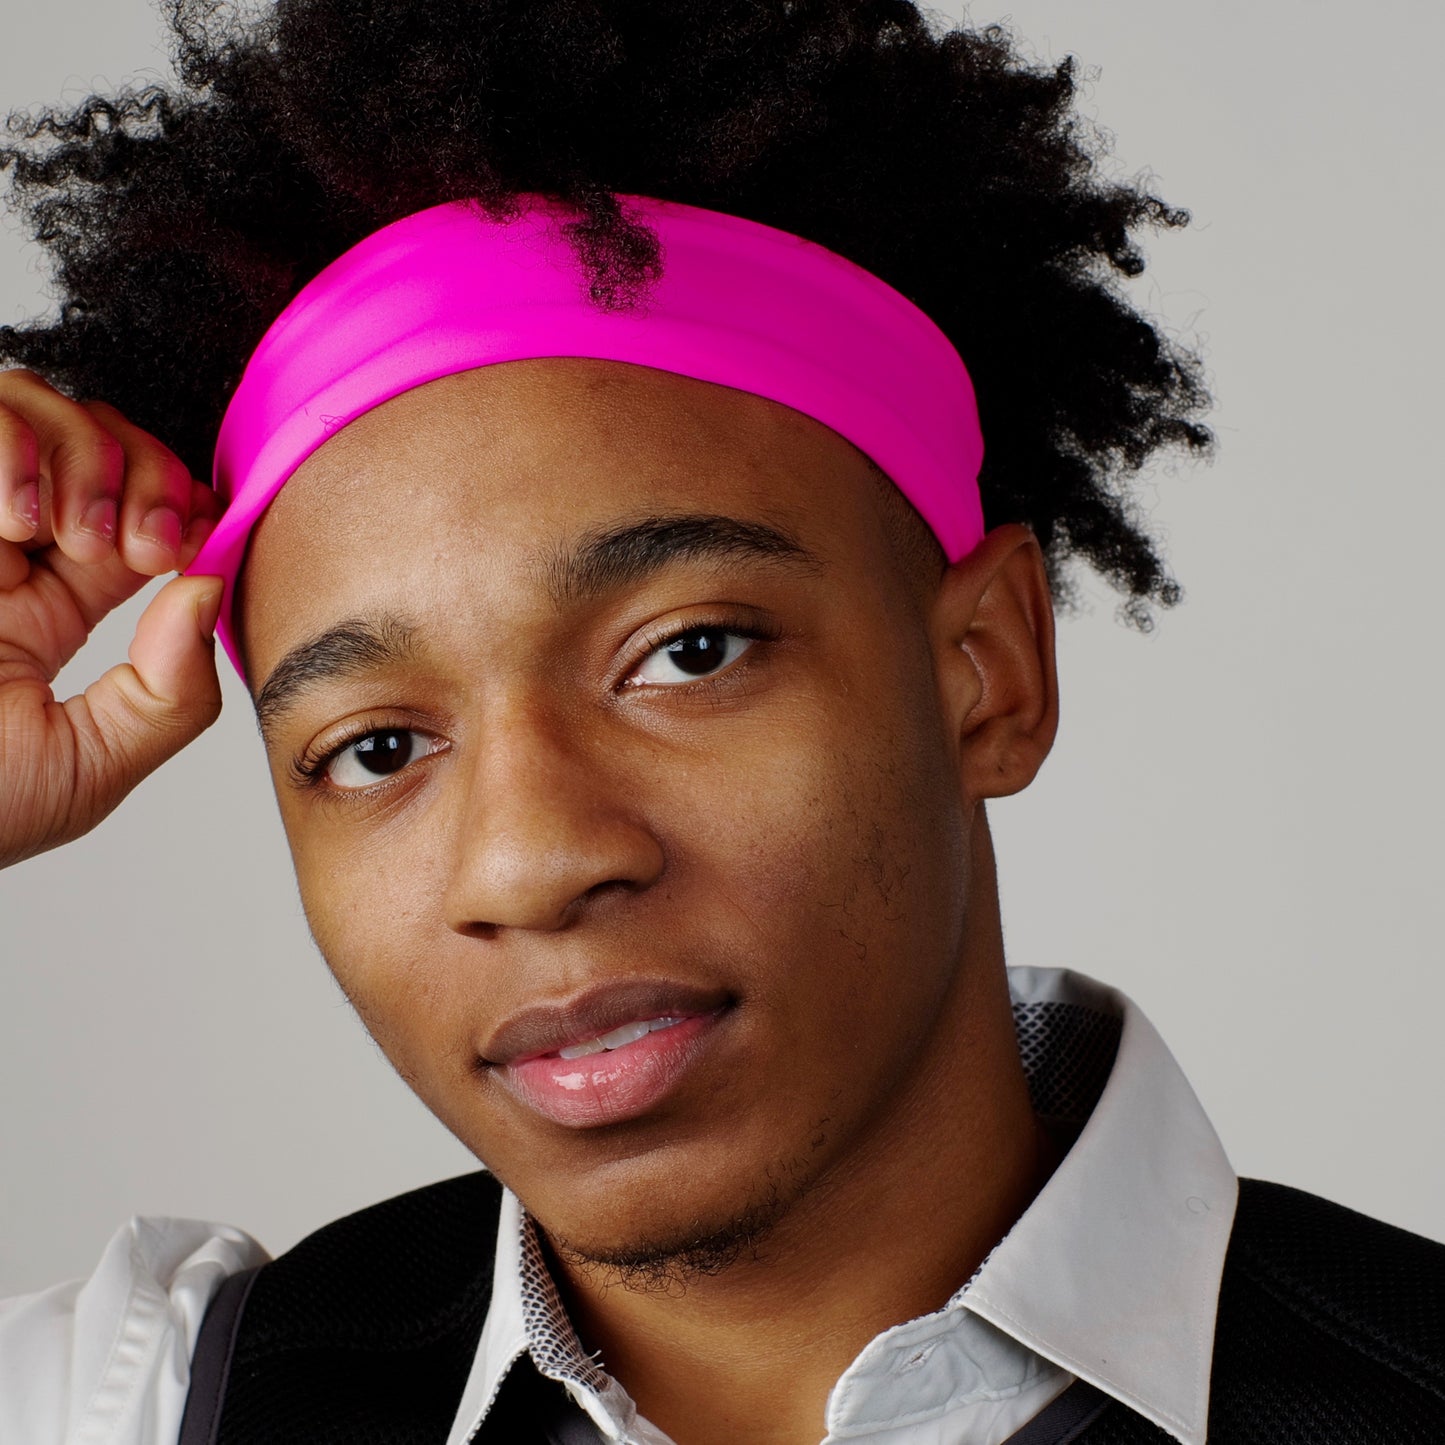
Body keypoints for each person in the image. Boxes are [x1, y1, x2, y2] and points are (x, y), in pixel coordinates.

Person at [0, 3, 1441, 1444]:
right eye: (378, 746)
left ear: (986, 671)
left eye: (686, 652)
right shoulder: (149, 1399)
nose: (529, 859)